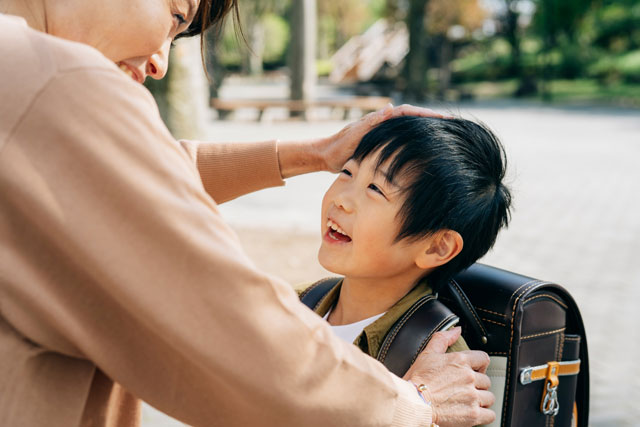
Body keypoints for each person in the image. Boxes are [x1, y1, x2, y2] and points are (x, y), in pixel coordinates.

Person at [0, 1, 495, 426]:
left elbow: (112, 177)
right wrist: (412, 407)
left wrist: (315, 154)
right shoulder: (55, 79)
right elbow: (232, 327)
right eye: (176, 15)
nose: (160, 65)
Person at [299, 115, 511, 364]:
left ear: (436, 247)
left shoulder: (440, 364)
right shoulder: (295, 303)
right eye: (347, 172)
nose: (341, 200)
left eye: (375, 189)